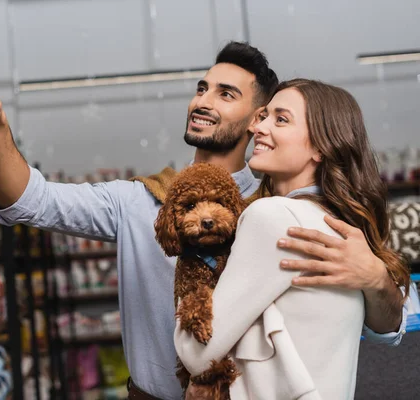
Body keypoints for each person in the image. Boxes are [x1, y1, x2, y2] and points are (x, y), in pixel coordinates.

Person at [0, 42, 408, 400]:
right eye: (202, 88)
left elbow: (389, 326)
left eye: (227, 94)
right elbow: (30, 200)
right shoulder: (142, 201)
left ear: (255, 121)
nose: (204, 100)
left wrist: (376, 280)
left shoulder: (276, 206)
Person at [175, 79, 411, 399]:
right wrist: (380, 280)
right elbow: (388, 332)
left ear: (320, 146)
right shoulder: (339, 227)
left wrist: (188, 280)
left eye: (281, 119)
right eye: (264, 116)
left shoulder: (272, 217)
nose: (258, 128)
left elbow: (197, 354)